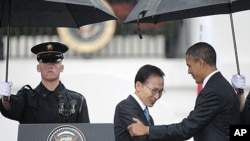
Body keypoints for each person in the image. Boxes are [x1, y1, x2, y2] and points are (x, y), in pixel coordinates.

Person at [127, 42, 240, 141]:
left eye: (189, 66)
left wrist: (147, 130)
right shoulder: (219, 85)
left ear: (201, 63)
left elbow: (186, 128)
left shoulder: (213, 91)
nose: (188, 71)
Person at [0, 42, 90, 123]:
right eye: (45, 61)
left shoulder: (77, 100)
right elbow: (12, 108)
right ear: (38, 68)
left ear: (62, 67)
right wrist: (5, 98)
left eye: (55, 61)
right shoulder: (27, 98)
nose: (50, 65)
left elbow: (85, 135)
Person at [114, 64, 165, 141]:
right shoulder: (125, 107)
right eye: (154, 90)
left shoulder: (149, 118)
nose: (157, 96)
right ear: (138, 86)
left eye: (160, 92)